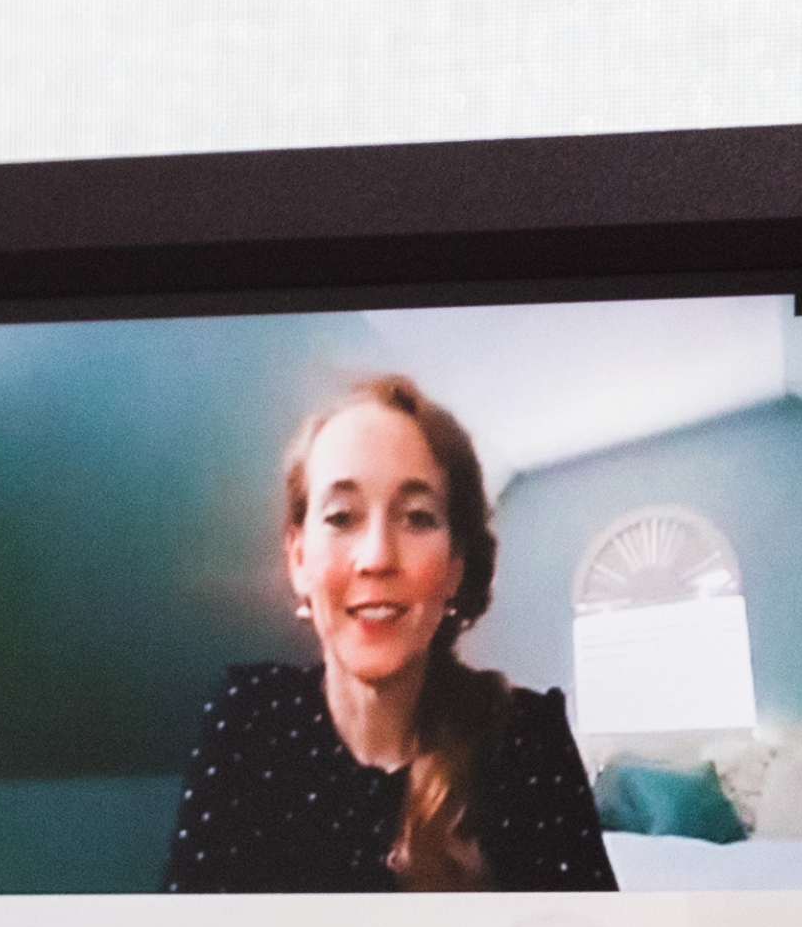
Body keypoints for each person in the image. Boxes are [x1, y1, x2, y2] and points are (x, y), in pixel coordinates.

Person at [159, 374, 621, 895]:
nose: (377, 557)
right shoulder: (249, 717)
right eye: (341, 517)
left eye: (418, 518)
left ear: (455, 567)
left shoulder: (528, 742)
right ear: (298, 559)